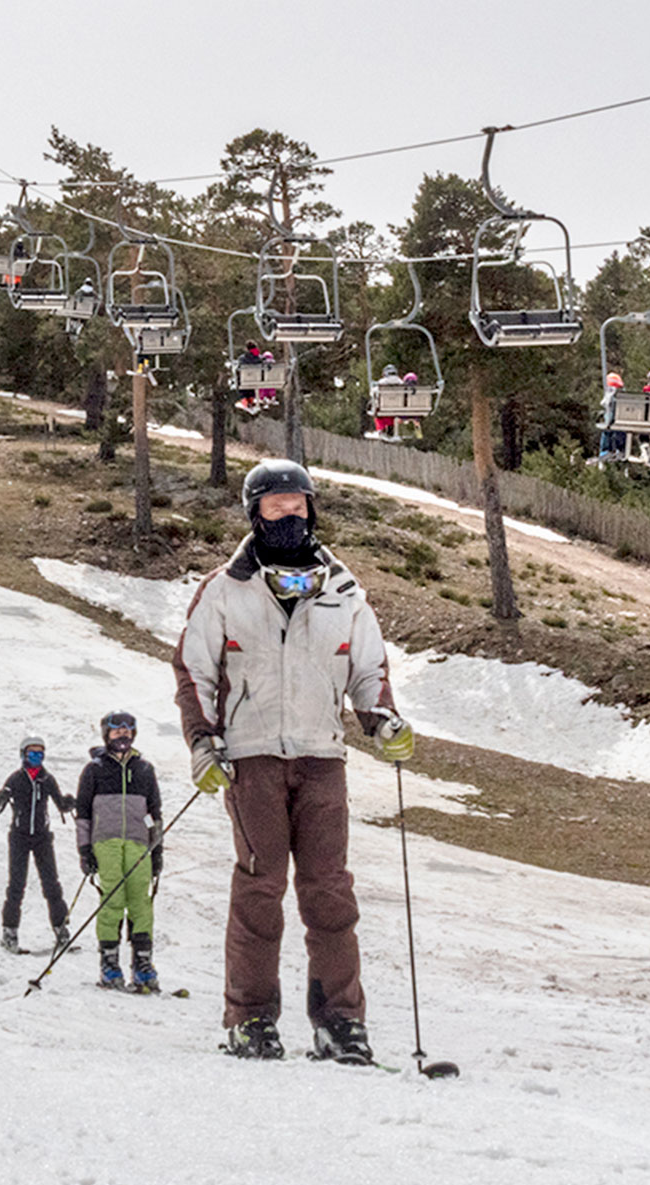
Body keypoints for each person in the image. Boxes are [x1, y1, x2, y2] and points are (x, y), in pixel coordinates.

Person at [173, 460, 414, 1063]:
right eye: (275, 506)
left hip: (322, 758)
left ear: (312, 509)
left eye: (298, 504)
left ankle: (340, 1023)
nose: (289, 514)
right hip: (250, 759)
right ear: (254, 514)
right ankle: (249, 1019)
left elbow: (367, 670)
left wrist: (381, 719)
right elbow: (194, 670)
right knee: (261, 890)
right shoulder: (224, 589)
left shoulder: (344, 590)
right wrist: (203, 742)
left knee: (330, 893)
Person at [75, 711, 164, 991]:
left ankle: (142, 964)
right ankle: (110, 964)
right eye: (117, 730)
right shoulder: (94, 770)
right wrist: (85, 850)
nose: (123, 734)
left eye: (128, 730)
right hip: (106, 842)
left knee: (141, 902)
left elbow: (154, 812)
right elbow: (83, 813)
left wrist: (157, 849)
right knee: (112, 901)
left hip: (138, 843)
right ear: (106, 734)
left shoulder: (144, 769)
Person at [0, 735, 75, 954]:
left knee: (51, 884)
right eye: (32, 754)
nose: (37, 758)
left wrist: (67, 803)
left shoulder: (47, 779)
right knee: (16, 885)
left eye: (40, 754)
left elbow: (60, 804)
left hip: (42, 837)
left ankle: (61, 930)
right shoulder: (16, 779)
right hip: (19, 836)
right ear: (23, 756)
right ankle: (9, 931)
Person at [597, 372, 626, 463]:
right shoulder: (623, 393)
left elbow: (604, 403)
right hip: (623, 420)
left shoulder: (611, 392)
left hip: (613, 419)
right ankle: (620, 449)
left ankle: (605, 450)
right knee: (621, 431)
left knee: (606, 429)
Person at [370, 363, 405, 439]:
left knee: (378, 413)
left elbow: (373, 393)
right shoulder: (401, 383)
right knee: (391, 413)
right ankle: (391, 428)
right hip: (398, 408)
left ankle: (381, 430)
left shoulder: (382, 382)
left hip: (384, 408)